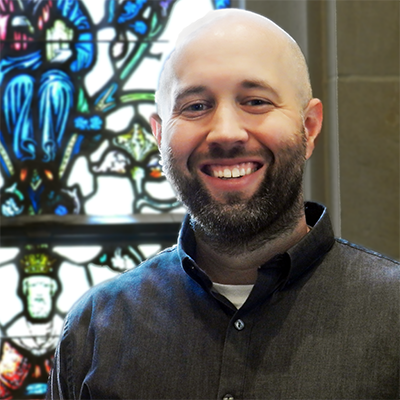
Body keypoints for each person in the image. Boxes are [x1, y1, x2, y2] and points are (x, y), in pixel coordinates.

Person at [46, 8, 400, 400]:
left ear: (309, 127)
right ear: (159, 136)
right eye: (196, 106)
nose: (226, 133)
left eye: (256, 101)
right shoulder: (96, 329)